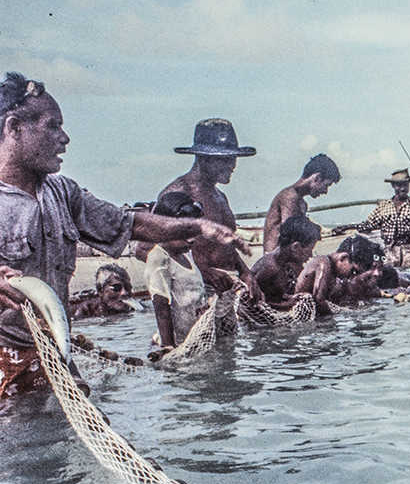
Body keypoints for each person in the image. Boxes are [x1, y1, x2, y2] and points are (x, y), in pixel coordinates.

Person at [0, 72, 241, 396]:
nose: (65, 137)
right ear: (14, 128)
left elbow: (130, 224)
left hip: (53, 352)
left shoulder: (63, 193)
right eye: (52, 126)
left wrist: (196, 226)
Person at [154, 118, 260, 300]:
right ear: (203, 158)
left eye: (233, 158)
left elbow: (225, 246)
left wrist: (245, 272)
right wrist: (203, 272)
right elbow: (149, 249)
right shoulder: (178, 194)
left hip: (228, 288)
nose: (232, 166)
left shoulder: (220, 197)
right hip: (193, 292)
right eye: (225, 160)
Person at [145, 192, 211, 352]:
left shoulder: (186, 255)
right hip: (180, 343)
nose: (191, 239)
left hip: (197, 337)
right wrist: (169, 348)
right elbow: (161, 306)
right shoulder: (158, 258)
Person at [338, 168, 410, 269]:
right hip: (388, 252)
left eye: (405, 185)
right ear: (393, 186)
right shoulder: (384, 206)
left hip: (408, 251)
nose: (403, 188)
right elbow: (369, 225)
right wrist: (347, 227)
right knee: (388, 277)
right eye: (399, 185)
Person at [261, 153, 340, 252]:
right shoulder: (289, 197)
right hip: (275, 260)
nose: (325, 191)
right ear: (317, 178)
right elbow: (291, 233)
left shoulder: (300, 202)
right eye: (326, 185)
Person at [250, 216, 321, 308]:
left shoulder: (284, 263)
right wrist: (286, 305)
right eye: (309, 250)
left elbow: (271, 295)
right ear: (295, 247)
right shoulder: (271, 267)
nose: (310, 255)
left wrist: (289, 298)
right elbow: (251, 301)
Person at [294, 247, 356, 316]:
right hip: (299, 310)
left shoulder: (332, 272)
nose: (350, 276)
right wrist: (334, 316)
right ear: (343, 257)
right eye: (352, 270)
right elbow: (319, 298)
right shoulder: (324, 263)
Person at [70, 263, 134, 319]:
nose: (124, 293)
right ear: (100, 291)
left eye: (127, 287)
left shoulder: (132, 308)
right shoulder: (84, 311)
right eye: (116, 288)